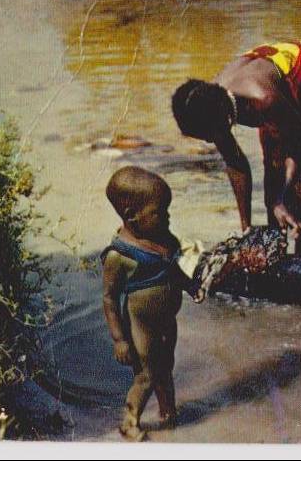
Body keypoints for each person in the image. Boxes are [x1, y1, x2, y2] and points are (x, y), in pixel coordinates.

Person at [171, 42, 301, 253]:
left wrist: (282, 198)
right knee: (273, 178)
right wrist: (247, 229)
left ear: (222, 121)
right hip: (271, 83)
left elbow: (297, 149)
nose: (208, 142)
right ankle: (275, 253)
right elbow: (235, 163)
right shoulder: (209, 104)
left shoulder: (263, 101)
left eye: (207, 136)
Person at [101, 166, 195, 441]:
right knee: (146, 373)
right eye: (160, 211)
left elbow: (180, 268)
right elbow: (109, 298)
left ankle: (168, 412)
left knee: (166, 366)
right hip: (140, 326)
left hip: (167, 321)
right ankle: (129, 421)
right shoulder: (119, 256)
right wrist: (119, 339)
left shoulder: (167, 240)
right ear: (132, 216)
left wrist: (192, 285)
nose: (167, 217)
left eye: (167, 210)